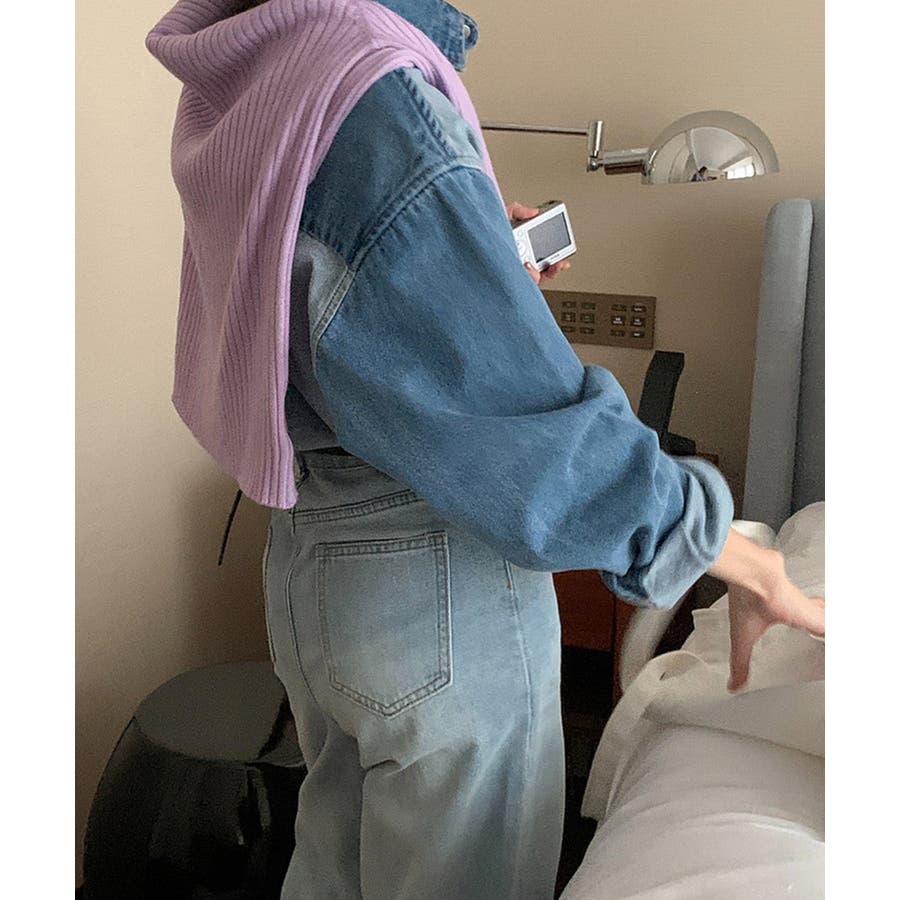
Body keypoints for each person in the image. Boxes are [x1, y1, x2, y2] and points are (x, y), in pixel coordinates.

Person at [147, 2, 825, 897]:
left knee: (337, 868)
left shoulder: (259, 62)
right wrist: (737, 555)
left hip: (313, 556)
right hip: (430, 565)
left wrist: (461, 259)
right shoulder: (373, 87)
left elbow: (311, 295)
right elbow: (533, 437)